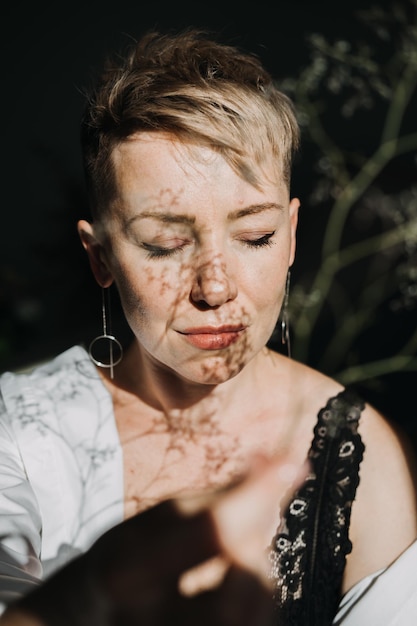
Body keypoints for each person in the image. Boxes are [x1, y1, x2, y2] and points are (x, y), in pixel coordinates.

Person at [0, 27, 416, 625]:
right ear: (102, 259)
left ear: (292, 234)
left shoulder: (367, 460)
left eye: (255, 236)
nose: (215, 287)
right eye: (163, 244)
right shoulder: (25, 435)